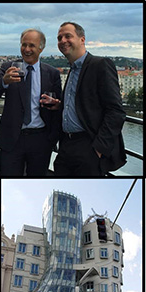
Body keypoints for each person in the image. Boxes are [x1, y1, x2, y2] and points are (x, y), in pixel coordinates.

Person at [51, 21, 126, 176]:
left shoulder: (100, 65)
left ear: (82, 39)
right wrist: (60, 105)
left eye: (68, 36)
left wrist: (98, 149)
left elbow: (116, 111)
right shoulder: (71, 69)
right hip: (66, 145)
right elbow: (82, 103)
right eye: (59, 38)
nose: (63, 41)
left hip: (88, 146)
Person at [0, 29, 61, 176]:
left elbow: (59, 108)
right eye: (23, 45)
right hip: (12, 139)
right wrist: (4, 82)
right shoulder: (9, 68)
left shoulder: (52, 73)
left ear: (41, 48)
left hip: (41, 140)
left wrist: (52, 139)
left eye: (31, 45)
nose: (26, 49)